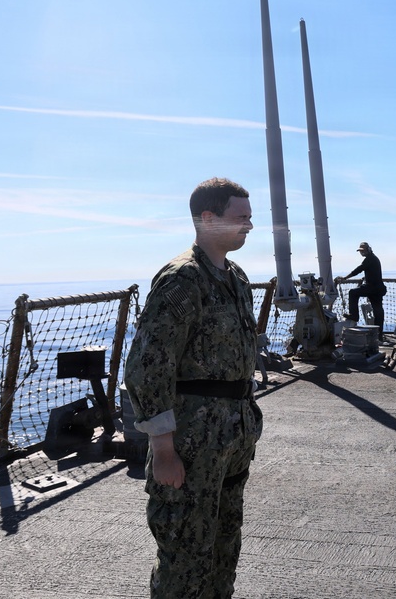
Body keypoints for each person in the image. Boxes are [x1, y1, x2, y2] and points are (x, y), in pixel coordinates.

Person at [125, 177, 263, 599]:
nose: (249, 227)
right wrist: (163, 451)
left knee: (224, 546)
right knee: (185, 553)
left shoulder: (235, 277)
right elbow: (147, 368)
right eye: (241, 218)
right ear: (208, 218)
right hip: (191, 441)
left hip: (232, 437)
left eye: (250, 218)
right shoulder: (183, 279)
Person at [334, 241, 387, 337]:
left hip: (372, 288)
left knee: (353, 292)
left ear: (368, 250)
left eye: (363, 250)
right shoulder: (373, 258)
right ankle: (379, 334)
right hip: (377, 288)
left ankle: (354, 315)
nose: (362, 252)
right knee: (378, 310)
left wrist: (345, 278)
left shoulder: (369, 259)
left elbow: (359, 269)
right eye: (360, 251)